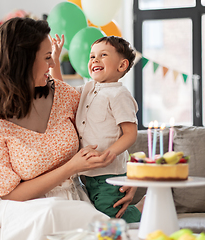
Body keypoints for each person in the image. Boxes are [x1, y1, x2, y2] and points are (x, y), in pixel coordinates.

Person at [0, 18, 118, 240]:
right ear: (23, 61)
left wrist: (124, 177)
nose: (53, 64)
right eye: (47, 57)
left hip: (72, 202)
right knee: (51, 212)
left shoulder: (64, 95)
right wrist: (71, 167)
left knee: (76, 220)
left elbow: (108, 127)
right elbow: (11, 194)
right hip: (22, 207)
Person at [51, 35, 143, 223]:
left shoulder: (119, 94)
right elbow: (59, 90)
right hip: (87, 173)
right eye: (92, 56)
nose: (95, 60)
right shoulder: (87, 88)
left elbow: (130, 134)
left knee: (110, 217)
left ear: (122, 66)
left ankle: (145, 209)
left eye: (103, 55)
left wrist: (110, 152)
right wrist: (55, 60)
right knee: (96, 214)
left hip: (110, 173)